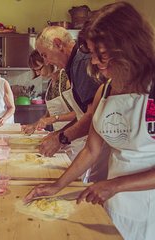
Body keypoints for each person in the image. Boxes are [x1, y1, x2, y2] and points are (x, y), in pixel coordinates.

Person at [24, 2, 155, 239]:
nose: (93, 62)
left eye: (100, 54)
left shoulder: (152, 90)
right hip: (113, 204)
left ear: (127, 46)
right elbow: (92, 150)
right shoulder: (105, 90)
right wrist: (58, 185)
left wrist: (115, 185)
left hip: (148, 208)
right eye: (93, 54)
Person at [35, 25, 109, 181]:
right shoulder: (74, 65)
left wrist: (61, 138)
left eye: (45, 55)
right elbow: (84, 114)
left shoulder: (81, 64)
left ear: (58, 44)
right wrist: (57, 135)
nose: (46, 61)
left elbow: (91, 117)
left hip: (103, 150)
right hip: (95, 147)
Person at [23, 50, 76, 133]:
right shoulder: (50, 84)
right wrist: (34, 125)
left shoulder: (66, 79)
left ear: (48, 61)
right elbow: (49, 115)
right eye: (35, 71)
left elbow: (80, 113)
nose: (37, 73)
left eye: (39, 69)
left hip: (77, 138)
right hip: (61, 135)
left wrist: (54, 118)